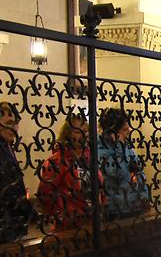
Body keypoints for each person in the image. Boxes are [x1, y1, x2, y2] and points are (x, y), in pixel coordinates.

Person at [37, 112, 105, 231]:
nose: (83, 135)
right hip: (69, 226)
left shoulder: (90, 158)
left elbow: (100, 186)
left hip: (92, 222)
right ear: (68, 135)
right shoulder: (57, 160)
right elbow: (45, 194)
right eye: (77, 132)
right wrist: (60, 215)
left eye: (85, 130)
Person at [98, 108, 149, 220]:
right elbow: (116, 173)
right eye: (124, 129)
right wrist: (118, 148)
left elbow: (139, 171)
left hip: (133, 204)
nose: (130, 130)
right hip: (114, 209)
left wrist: (144, 196)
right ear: (113, 133)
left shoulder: (127, 147)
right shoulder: (100, 149)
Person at [0, 101, 35, 242]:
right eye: (8, 123)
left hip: (13, 221)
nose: (13, 128)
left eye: (15, 123)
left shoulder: (7, 147)